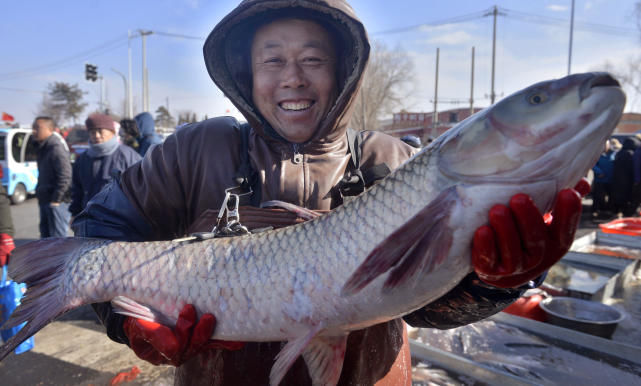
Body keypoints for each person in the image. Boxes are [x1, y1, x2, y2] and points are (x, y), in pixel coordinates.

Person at [72, 1, 585, 384]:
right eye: (272, 61)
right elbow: (101, 231)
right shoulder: (195, 149)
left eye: (313, 60)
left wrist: (495, 282)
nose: (292, 79)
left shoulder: (394, 161)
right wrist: (125, 320)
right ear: (247, 76)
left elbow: (424, 307)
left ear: (343, 72)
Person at [69, 113, 142, 220]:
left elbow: (142, 190)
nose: (97, 135)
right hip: (90, 221)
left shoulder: (128, 156)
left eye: (100, 131)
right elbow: (77, 190)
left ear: (112, 132)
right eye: (92, 132)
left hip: (122, 222)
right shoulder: (83, 159)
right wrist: (75, 214)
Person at [32, 116, 72, 238]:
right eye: (33, 127)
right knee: (46, 238)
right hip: (45, 199)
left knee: (58, 241)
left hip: (55, 202)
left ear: (49, 129)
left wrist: (57, 199)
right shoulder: (43, 146)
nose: (33, 131)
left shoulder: (55, 148)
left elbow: (66, 175)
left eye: (37, 128)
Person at [611, 136, 639, 217]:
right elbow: (633, 168)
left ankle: (616, 210)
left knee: (618, 195)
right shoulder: (631, 153)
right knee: (627, 195)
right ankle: (625, 212)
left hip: (617, 178)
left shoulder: (619, 153)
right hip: (628, 179)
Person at [591, 139, 615, 218]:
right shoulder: (596, 154)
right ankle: (595, 211)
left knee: (611, 196)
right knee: (598, 196)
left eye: (606, 145)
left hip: (611, 180)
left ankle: (608, 210)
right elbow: (593, 164)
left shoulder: (613, 153)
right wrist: (599, 172)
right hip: (600, 179)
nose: (604, 147)